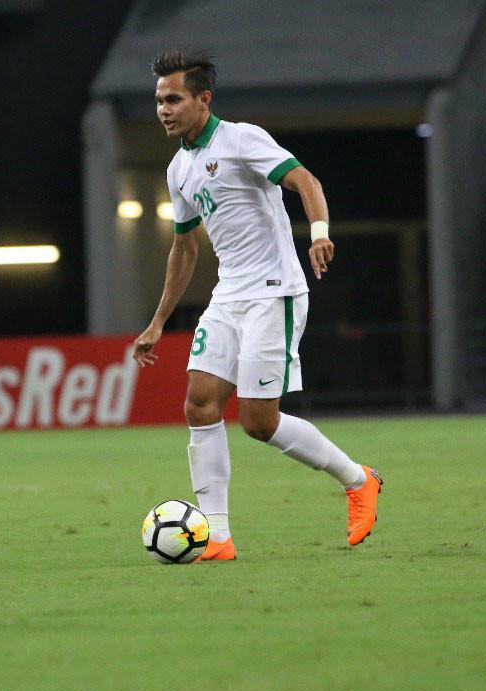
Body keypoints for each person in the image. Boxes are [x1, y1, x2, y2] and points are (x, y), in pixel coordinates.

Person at [132, 50, 383, 561]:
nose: (164, 109)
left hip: (275, 291)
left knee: (258, 423)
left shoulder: (242, 138)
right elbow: (184, 247)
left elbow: (305, 181)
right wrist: (158, 321)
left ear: (204, 99)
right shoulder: (179, 168)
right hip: (228, 295)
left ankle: (359, 480)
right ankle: (218, 537)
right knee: (198, 404)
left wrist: (320, 234)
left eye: (174, 99)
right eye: (159, 100)